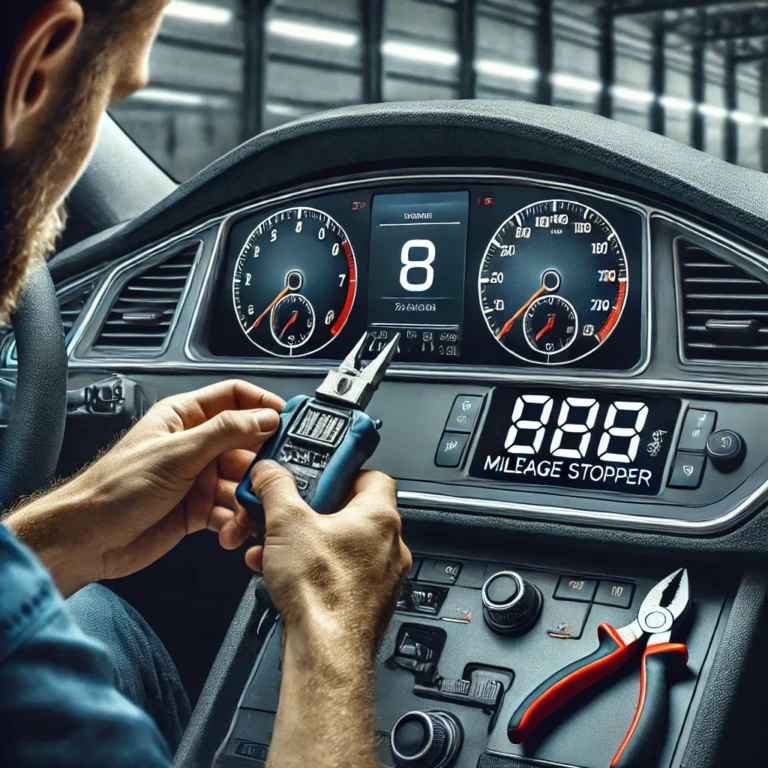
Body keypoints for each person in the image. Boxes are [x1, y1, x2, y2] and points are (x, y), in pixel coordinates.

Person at [0, 3, 412, 767]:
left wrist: (67, 530)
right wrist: (327, 625)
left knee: (89, 607)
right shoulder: (45, 709)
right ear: (36, 69)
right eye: (112, 95)